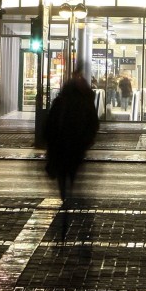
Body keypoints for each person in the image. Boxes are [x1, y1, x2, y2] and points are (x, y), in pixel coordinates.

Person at [45, 64, 100, 205]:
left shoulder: (60, 102)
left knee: (62, 170)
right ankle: (70, 190)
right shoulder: (85, 103)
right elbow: (93, 122)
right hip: (77, 143)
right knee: (72, 168)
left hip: (61, 142)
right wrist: (89, 138)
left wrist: (47, 138)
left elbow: (50, 122)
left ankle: (64, 193)